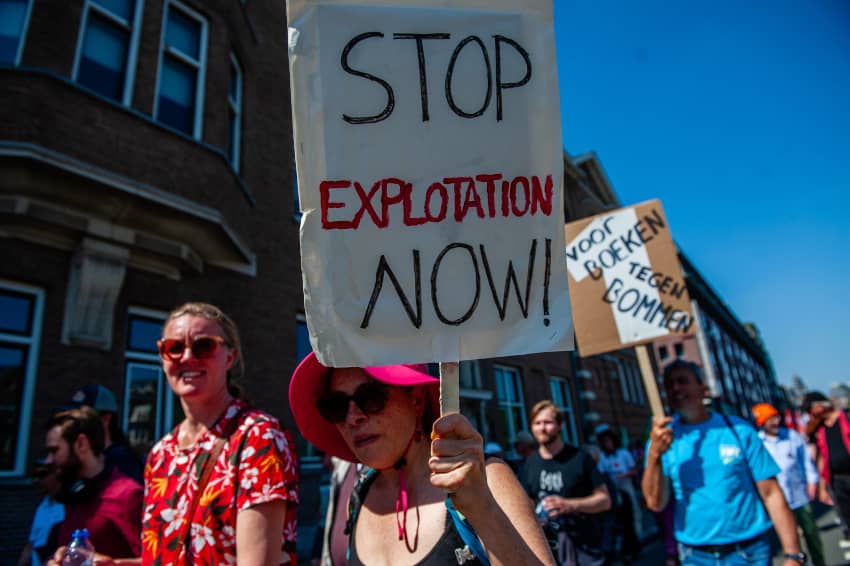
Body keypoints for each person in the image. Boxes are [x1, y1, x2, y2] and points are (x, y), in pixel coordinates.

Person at [51, 302, 300, 565]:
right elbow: (163, 558)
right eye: (174, 348)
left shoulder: (258, 437)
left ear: (230, 357)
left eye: (204, 346)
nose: (187, 357)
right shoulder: (161, 453)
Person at [289, 352, 554, 566]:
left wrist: (483, 509)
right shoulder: (357, 496)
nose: (352, 417)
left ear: (415, 400)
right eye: (336, 406)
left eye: (369, 398)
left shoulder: (486, 478)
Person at [642, 360, 805, 566]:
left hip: (749, 551)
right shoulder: (662, 440)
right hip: (695, 555)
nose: (675, 388)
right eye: (669, 384)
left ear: (703, 389)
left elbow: (771, 492)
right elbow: (655, 502)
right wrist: (655, 455)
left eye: (683, 381)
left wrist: (793, 554)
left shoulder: (738, 430)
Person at [521, 400, 612, 566]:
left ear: (560, 425)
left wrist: (569, 504)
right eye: (537, 423)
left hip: (586, 549)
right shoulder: (530, 463)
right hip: (549, 550)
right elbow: (528, 504)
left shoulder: (580, 457)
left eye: (547, 422)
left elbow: (605, 500)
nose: (542, 428)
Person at [45, 407, 143, 559]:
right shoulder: (73, 495)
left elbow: (156, 560)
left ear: (81, 444)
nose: (48, 460)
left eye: (55, 450)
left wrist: (110, 564)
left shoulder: (127, 495)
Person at [752, 403, 825, 566]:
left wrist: (813, 481)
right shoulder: (757, 442)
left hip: (799, 495)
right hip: (778, 503)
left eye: (776, 417)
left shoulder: (791, 436)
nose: (775, 422)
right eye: (770, 419)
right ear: (762, 422)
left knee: (811, 534)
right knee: (790, 542)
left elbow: (805, 461)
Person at [64, 384, 143, 484]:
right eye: (71, 417)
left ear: (106, 418)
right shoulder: (86, 456)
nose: (74, 423)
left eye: (82, 417)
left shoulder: (122, 461)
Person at [803, 390, 850, 544]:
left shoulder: (846, 417)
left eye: (812, 408)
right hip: (836, 479)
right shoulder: (819, 430)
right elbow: (822, 458)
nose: (811, 413)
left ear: (820, 405)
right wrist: (822, 488)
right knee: (846, 515)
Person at [596, 428, 640, 562]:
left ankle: (635, 543)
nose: (607, 444)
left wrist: (622, 475)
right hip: (613, 491)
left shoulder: (623, 454)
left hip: (625, 487)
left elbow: (633, 471)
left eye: (609, 441)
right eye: (604, 442)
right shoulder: (603, 457)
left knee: (632, 516)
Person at [17, 459, 64, 566]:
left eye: (42, 475)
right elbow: (30, 545)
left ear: (57, 475)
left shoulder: (68, 507)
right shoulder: (42, 507)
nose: (37, 480)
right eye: (35, 476)